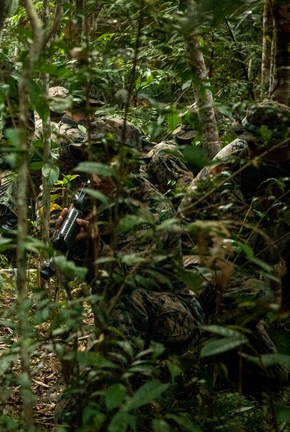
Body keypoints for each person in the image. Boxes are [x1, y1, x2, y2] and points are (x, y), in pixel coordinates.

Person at [55, 120, 201, 352]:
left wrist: (95, 245)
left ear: (130, 166)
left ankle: (114, 374)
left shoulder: (152, 211)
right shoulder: (94, 199)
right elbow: (86, 274)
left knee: (123, 299)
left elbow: (127, 278)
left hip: (173, 314)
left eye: (107, 163)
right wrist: (73, 242)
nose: (97, 174)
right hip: (129, 314)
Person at [178, 100, 290, 389]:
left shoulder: (280, 165)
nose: (251, 149)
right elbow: (243, 245)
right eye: (249, 142)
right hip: (198, 262)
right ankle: (186, 362)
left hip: (242, 269)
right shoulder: (228, 171)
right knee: (258, 294)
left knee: (274, 378)